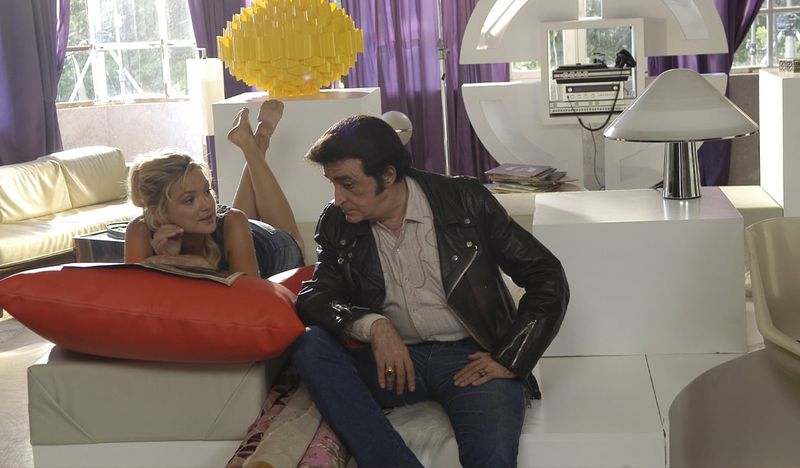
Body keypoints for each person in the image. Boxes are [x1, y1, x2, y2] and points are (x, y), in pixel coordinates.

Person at [291, 115, 569, 467]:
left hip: (471, 357)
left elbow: (547, 277)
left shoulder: (464, 200)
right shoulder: (336, 221)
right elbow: (315, 295)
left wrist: (510, 358)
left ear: (387, 176)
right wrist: (374, 326)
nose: (338, 198)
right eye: (332, 183)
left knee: (491, 456)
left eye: (348, 184)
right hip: (392, 360)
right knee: (311, 345)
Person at [124, 99, 304, 278]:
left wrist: (204, 268)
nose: (207, 204)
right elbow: (135, 294)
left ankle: (258, 142)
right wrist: (171, 262)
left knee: (296, 244)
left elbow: (250, 293)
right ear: (158, 212)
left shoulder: (233, 222)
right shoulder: (139, 231)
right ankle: (256, 142)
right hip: (239, 236)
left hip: (268, 245)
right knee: (237, 222)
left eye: (206, 191)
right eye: (189, 200)